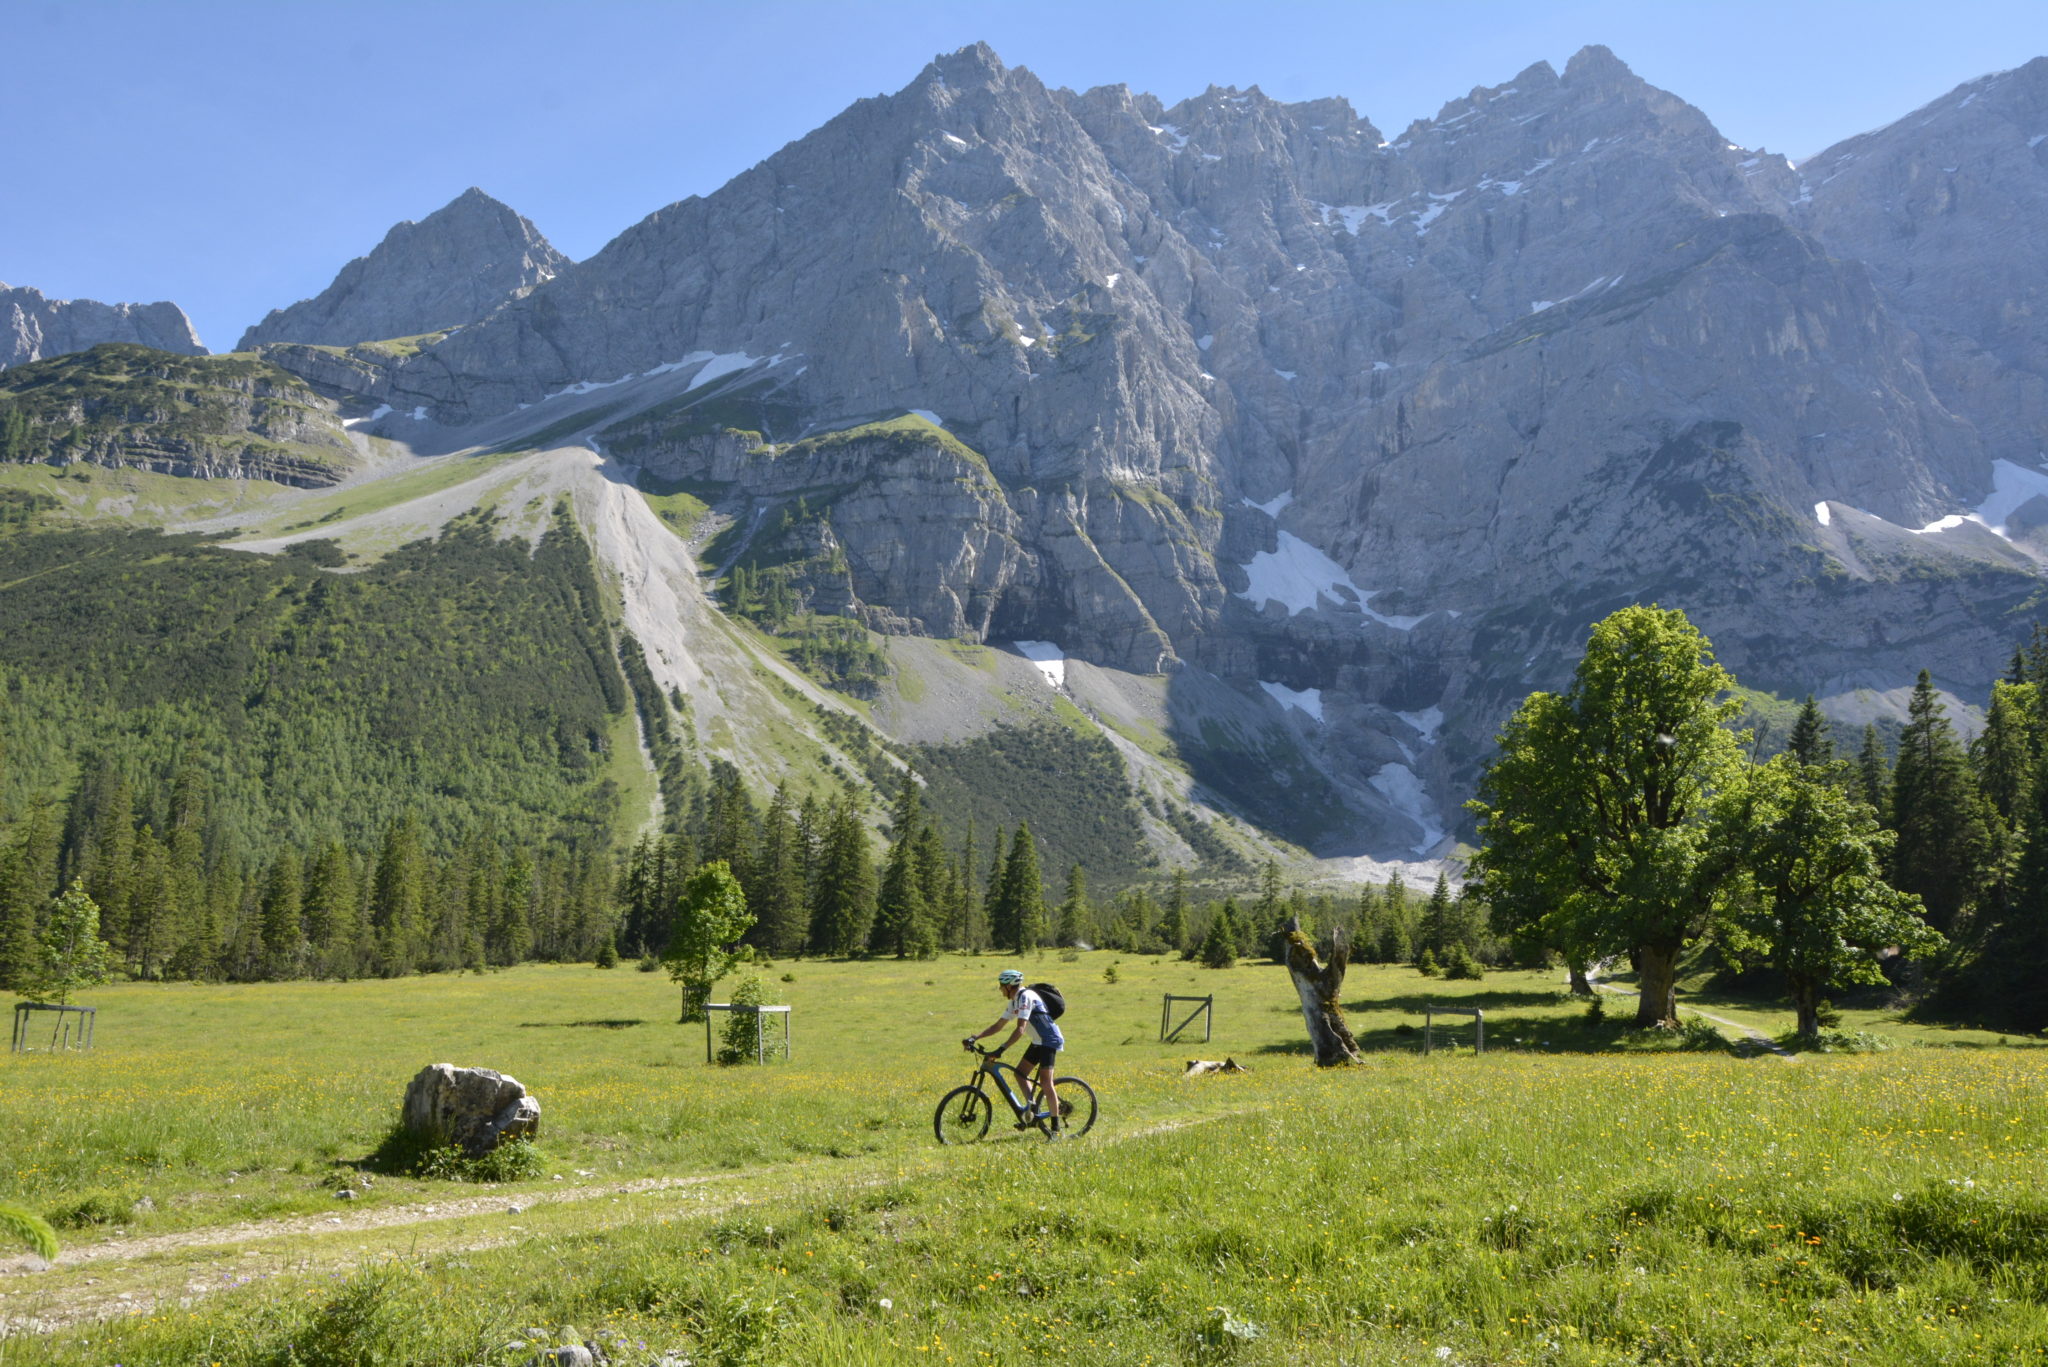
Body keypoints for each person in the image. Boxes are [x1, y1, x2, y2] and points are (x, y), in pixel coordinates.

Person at [963, 968, 1064, 1136]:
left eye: (1002, 986)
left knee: (1046, 1082)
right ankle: (1032, 1111)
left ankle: (1055, 1129)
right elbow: (998, 1026)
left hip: (1049, 1040)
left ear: (1010, 986)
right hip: (1038, 1041)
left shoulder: (1026, 997)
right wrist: (976, 1037)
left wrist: (1001, 1049)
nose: (1000, 990)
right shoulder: (1014, 1001)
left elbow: (1020, 1029)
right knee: (1020, 1074)